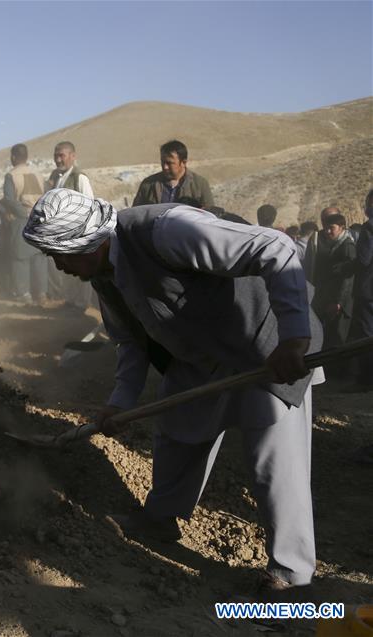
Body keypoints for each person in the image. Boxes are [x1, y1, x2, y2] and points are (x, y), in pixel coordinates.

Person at [23, 189, 322, 596]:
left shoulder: (166, 230)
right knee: (178, 434)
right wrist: (120, 402)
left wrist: (294, 337)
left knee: (273, 463)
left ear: (89, 241)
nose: (59, 265)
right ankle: (160, 519)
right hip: (198, 356)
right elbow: (130, 342)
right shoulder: (102, 275)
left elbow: (275, 245)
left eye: (62, 254)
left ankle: (291, 573)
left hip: (265, 344)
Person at [45, 141, 94, 306]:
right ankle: (71, 301)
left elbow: (89, 207)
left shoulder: (79, 178)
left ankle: (81, 304)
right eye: (55, 156)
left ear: (72, 156)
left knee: (80, 270)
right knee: (67, 271)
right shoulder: (57, 178)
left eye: (62, 155)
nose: (58, 160)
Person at [0, 143, 46, 303]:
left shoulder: (11, 175)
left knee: (20, 258)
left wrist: (22, 212)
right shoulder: (38, 174)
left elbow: (9, 200)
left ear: (13, 157)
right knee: (39, 257)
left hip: (21, 220)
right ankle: (41, 293)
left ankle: (23, 294)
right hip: (39, 219)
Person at [312, 213, 356, 364]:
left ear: (342, 228)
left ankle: (342, 371)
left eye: (332, 228)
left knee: (339, 337)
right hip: (331, 298)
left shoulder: (347, 246)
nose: (328, 232)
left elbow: (348, 279)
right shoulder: (336, 244)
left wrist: (339, 302)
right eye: (326, 228)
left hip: (341, 301)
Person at [132, 140, 214, 208]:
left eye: (169, 163)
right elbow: (135, 214)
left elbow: (210, 217)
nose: (165, 167)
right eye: (163, 162)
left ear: (183, 163)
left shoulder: (200, 184)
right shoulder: (148, 184)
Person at [348, 189, 373, 393]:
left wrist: (346, 267)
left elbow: (364, 260)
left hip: (369, 291)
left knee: (365, 335)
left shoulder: (368, 228)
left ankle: (365, 380)